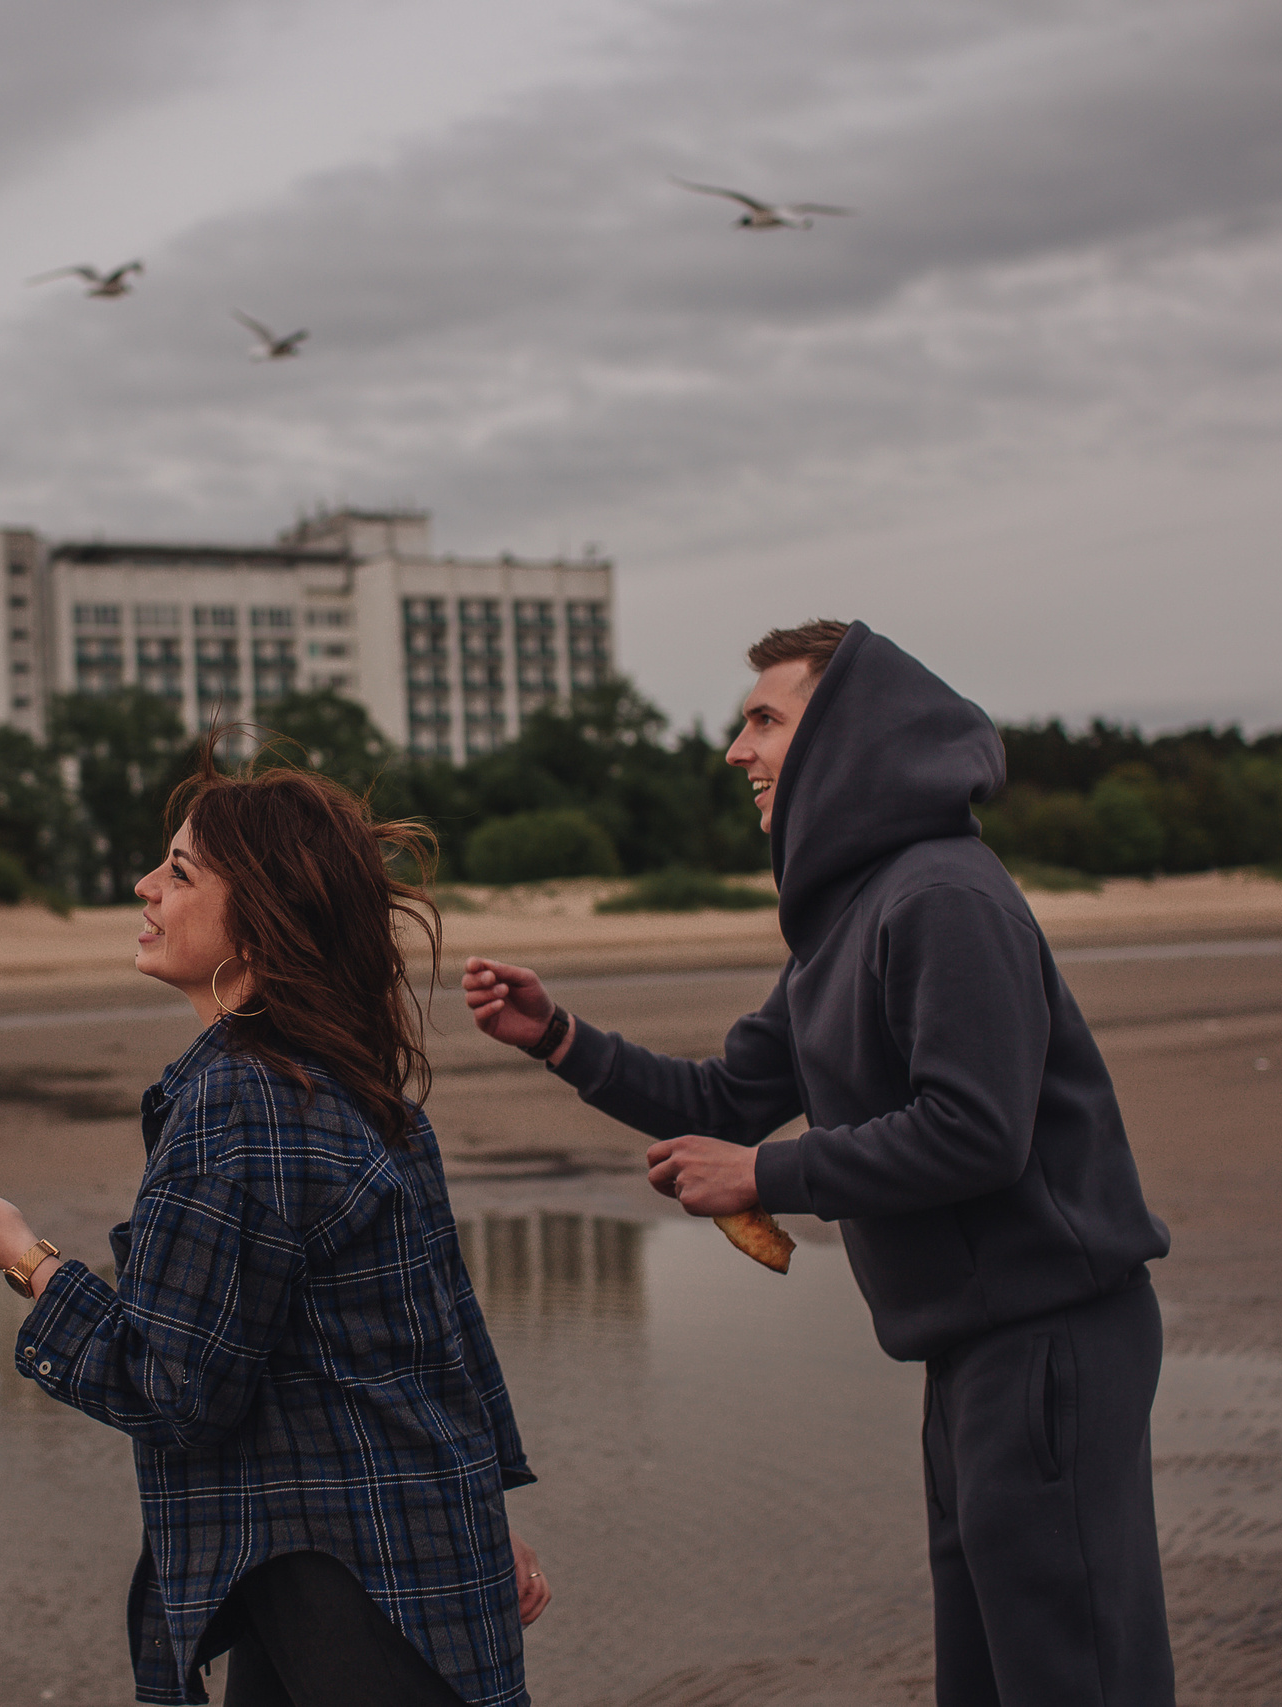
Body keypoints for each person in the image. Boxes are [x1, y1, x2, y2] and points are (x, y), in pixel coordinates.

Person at [463, 620, 1175, 1706]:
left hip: (1051, 1341)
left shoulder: (942, 896)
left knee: (1069, 1674)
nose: (735, 750)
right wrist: (559, 1037)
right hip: (977, 1353)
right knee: (991, 1680)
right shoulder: (849, 920)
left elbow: (977, 1132)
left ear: (849, 735)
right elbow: (723, 1099)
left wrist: (765, 1177)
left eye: (764, 720)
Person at [0, 748, 549, 1707]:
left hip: (341, 1582)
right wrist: (481, 1508)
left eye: (178, 872)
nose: (145, 886)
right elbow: (441, 1338)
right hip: (377, 1562)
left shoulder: (235, 1103)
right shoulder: (352, 1078)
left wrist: (24, 1258)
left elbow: (176, 1390)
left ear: (258, 924)